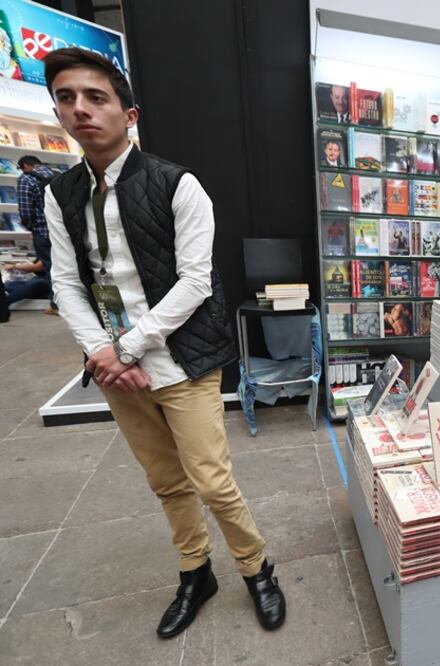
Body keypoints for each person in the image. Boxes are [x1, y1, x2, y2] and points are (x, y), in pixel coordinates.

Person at [41, 48, 285, 638]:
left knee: (212, 480)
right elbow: (66, 283)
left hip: (182, 361)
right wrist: (103, 352)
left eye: (95, 97)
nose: (80, 109)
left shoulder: (177, 184)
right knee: (166, 482)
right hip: (115, 367)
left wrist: (125, 348)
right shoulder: (60, 193)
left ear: (129, 115)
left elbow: (196, 282)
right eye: (67, 99)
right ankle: (195, 573)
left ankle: (256, 569)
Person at [16, 155, 58, 313]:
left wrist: (31, 227)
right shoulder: (58, 173)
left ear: (26, 165)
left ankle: (56, 305)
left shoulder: (26, 179)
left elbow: (26, 211)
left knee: (50, 267)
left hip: (43, 231)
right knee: (68, 267)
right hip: (63, 230)